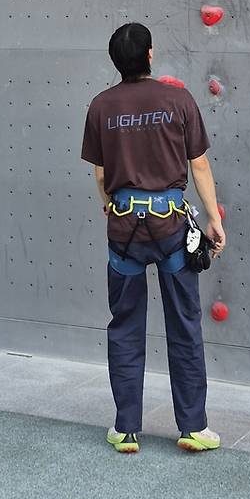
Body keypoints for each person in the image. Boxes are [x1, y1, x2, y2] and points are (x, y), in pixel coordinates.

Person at [81, 22, 226, 455]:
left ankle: (126, 429)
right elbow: (198, 167)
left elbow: (102, 176)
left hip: (123, 229)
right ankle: (193, 427)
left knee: (124, 325)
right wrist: (214, 220)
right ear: (149, 55)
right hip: (171, 229)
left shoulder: (101, 106)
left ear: (116, 62)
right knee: (184, 324)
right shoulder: (177, 99)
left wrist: (111, 207)